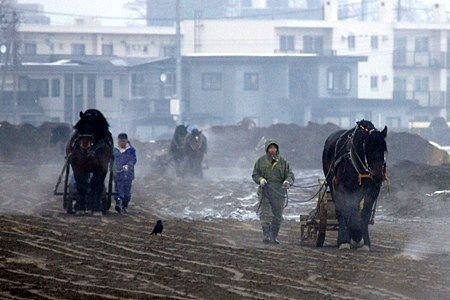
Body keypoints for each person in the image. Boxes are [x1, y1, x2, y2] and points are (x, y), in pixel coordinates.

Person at [252, 139, 295, 244]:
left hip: (279, 192)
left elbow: (290, 175)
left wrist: (287, 182)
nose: (272, 150)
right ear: (267, 149)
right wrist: (260, 179)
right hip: (265, 190)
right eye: (270, 148)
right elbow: (255, 174)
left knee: (277, 215)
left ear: (277, 149)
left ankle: (274, 236)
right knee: (265, 213)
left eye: (274, 148)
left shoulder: (283, 162)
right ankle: (266, 235)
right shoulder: (261, 161)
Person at [114, 133, 137, 214]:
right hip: (118, 173)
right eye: (120, 141)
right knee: (118, 189)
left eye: (123, 141)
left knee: (127, 190)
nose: (121, 143)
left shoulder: (131, 150)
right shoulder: (115, 150)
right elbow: (112, 160)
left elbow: (133, 159)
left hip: (128, 173)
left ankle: (125, 205)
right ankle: (118, 203)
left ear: (126, 141)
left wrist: (128, 165)